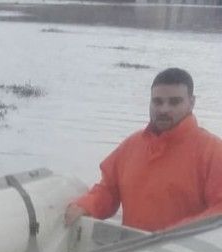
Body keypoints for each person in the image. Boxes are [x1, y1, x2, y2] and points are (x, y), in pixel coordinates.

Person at [64, 68, 222, 232]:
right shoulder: (132, 146)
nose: (163, 109)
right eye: (157, 101)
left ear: (191, 102)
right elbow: (108, 191)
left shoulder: (213, 151)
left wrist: (175, 233)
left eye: (174, 102)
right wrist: (84, 206)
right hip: (133, 250)